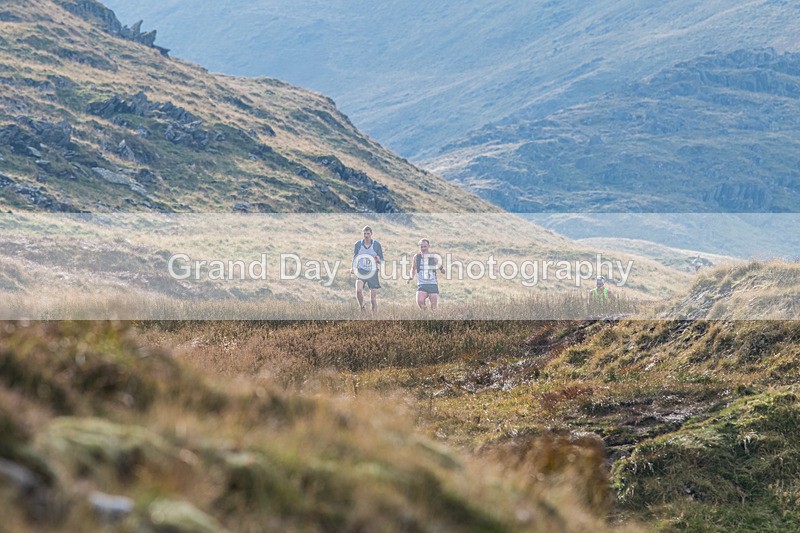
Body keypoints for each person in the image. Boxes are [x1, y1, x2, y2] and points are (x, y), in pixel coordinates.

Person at [351, 225, 384, 312]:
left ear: (371, 234)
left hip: (373, 272)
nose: (366, 235)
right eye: (364, 233)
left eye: (368, 233)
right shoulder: (358, 244)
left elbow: (382, 261)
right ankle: (362, 307)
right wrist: (353, 267)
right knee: (358, 290)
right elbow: (355, 257)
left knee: (373, 299)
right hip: (361, 270)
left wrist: (378, 260)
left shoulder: (376, 244)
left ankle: (374, 318)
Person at [407, 238, 445, 310]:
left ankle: (432, 318)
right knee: (420, 301)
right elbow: (413, 268)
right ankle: (426, 314)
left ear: (428, 246)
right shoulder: (416, 257)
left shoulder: (433, 257)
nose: (423, 248)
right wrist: (411, 276)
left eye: (425, 246)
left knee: (434, 307)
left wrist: (442, 269)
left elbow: (440, 267)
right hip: (422, 284)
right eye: (421, 247)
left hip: (432, 284)